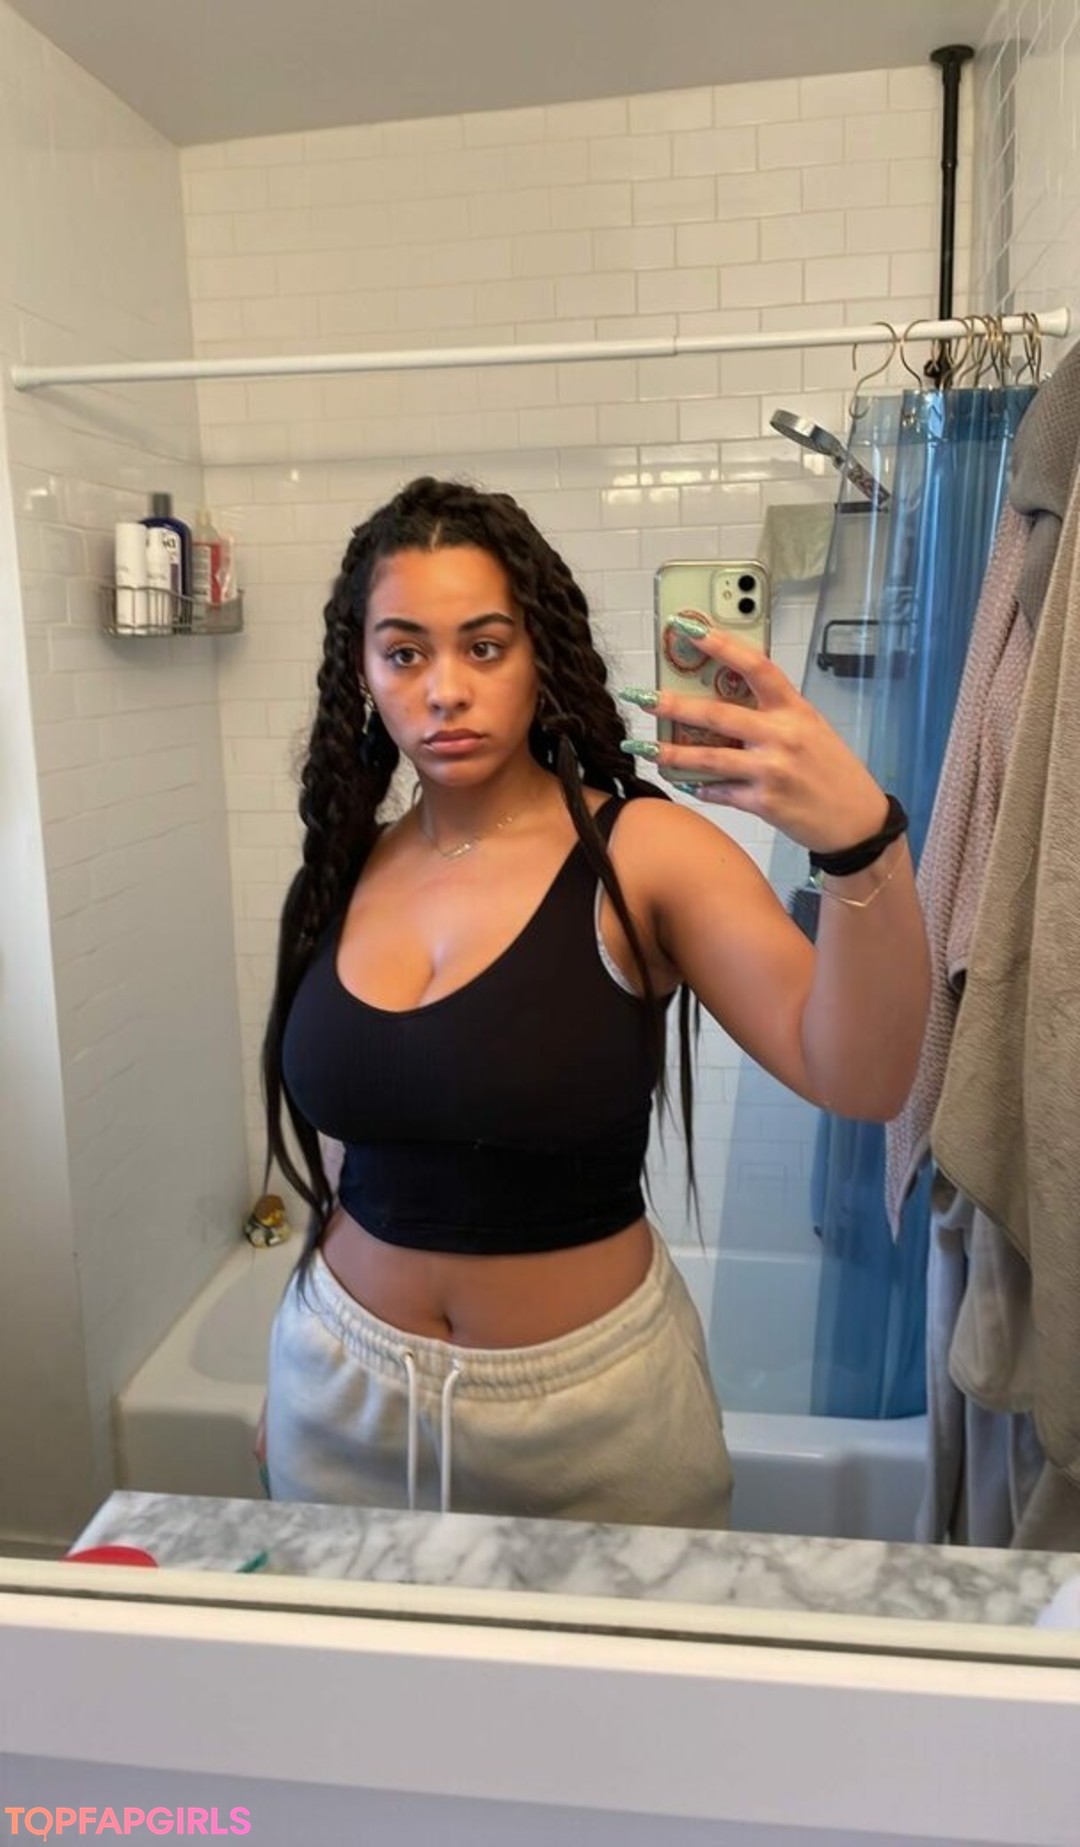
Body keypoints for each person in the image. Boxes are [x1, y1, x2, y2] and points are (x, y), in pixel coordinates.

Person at [258, 475, 929, 1528]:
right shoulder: (346, 865)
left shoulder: (643, 854)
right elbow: (357, 1144)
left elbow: (865, 1076)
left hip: (588, 1422)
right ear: (364, 673)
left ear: (541, 656)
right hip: (336, 1383)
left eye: (485, 646)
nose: (444, 689)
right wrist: (299, 1361)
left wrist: (860, 841)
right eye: (405, 653)